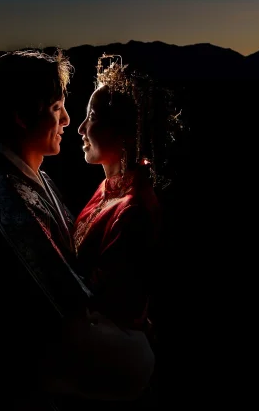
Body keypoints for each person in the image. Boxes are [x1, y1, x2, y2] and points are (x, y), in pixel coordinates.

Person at [0, 49, 155, 409]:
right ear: (23, 116)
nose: (69, 121)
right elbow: (62, 296)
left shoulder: (34, 179)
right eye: (57, 109)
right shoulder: (4, 193)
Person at [73, 54, 183, 337]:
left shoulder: (132, 210)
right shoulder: (108, 191)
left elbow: (115, 307)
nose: (81, 128)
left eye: (92, 118)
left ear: (121, 132)